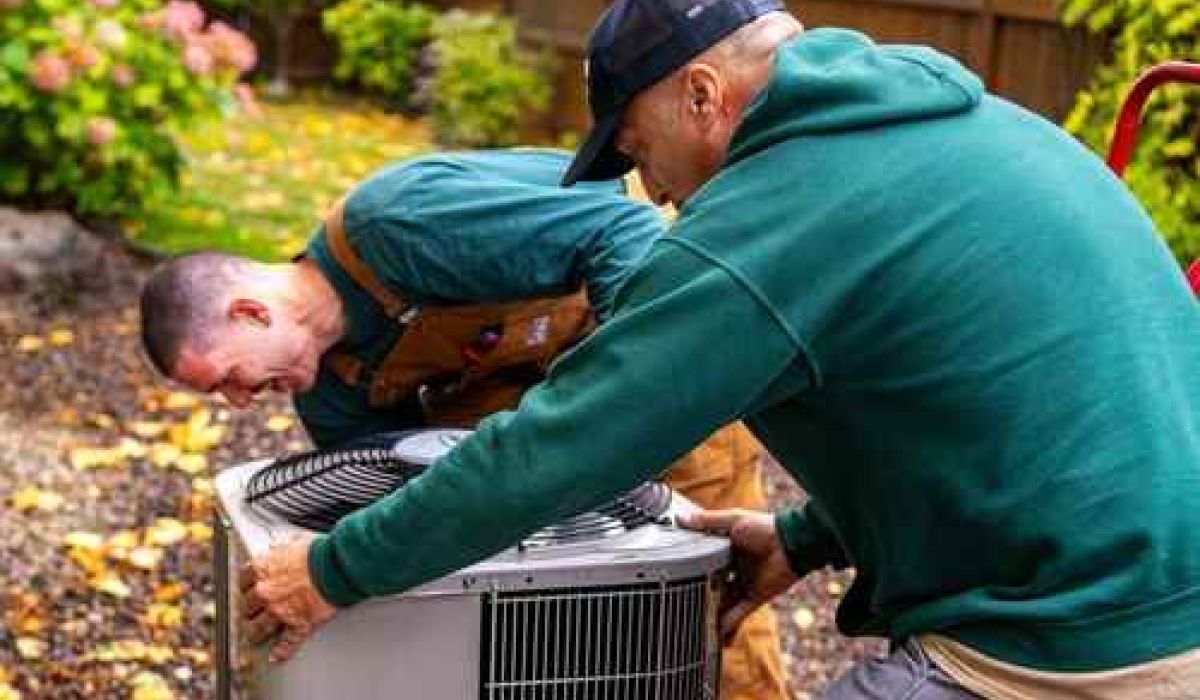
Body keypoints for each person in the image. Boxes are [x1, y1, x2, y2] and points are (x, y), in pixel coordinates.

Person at [240, 1, 1200, 698]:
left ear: (702, 95)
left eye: (638, 151)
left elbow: (561, 446)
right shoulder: (975, 125)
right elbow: (973, 400)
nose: (651, 194)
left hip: (1081, 643)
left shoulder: (772, 219)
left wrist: (334, 571)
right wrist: (804, 537)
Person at [139, 148, 789, 700]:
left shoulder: (397, 226)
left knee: (708, 628)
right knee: (552, 646)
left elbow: (621, 228)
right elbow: (418, 517)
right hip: (536, 458)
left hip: (665, 377)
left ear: (251, 312)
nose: (241, 401)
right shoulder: (328, 397)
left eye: (227, 377)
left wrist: (629, 391)